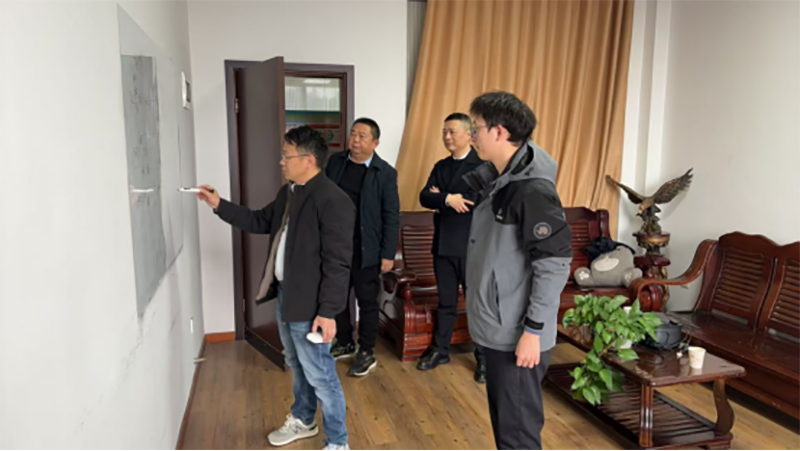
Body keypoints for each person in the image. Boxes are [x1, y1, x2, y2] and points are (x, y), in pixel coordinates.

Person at [196, 126, 353, 450]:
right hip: (286, 296)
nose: (281, 161)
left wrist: (327, 312)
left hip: (312, 305)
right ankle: (304, 419)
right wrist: (218, 204)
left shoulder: (333, 201)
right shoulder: (289, 193)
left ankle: (338, 441)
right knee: (297, 364)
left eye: (286, 156)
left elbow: (338, 264)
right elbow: (258, 220)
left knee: (321, 374)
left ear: (308, 160)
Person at [464, 92, 572, 450]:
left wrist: (533, 331)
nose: (471, 135)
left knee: (518, 435)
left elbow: (554, 264)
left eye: (475, 128)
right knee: (507, 428)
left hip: (518, 333)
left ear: (499, 132)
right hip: (501, 326)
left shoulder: (531, 190)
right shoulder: (503, 180)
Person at [326, 118, 400, 377]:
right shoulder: (336, 163)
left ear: (375, 143)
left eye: (362, 136)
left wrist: (387, 254)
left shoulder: (385, 172)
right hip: (337, 244)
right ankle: (345, 340)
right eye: (353, 134)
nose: (355, 140)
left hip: (367, 248)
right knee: (337, 297)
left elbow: (391, 215)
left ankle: (366, 351)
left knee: (367, 301)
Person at [416, 112, 487, 383]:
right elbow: (425, 197)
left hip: (471, 246)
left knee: (476, 305)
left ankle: (483, 358)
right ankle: (440, 350)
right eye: (444, 131)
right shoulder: (441, 166)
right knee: (445, 302)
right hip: (443, 244)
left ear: (469, 135)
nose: (447, 136)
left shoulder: (482, 167)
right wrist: (447, 199)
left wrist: (442, 198)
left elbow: (473, 202)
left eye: (452, 132)